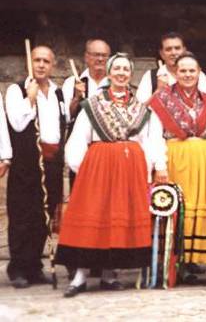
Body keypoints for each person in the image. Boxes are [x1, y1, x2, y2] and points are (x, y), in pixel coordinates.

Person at [55, 53, 153, 297]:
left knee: (115, 220)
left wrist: (147, 169)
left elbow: (147, 141)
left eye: (125, 69)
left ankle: (110, 274)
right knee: (92, 218)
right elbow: (79, 138)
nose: (121, 73)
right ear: (109, 73)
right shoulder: (93, 104)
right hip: (97, 170)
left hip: (128, 171)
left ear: (131, 75)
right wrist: (85, 169)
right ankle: (80, 276)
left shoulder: (140, 109)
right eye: (116, 68)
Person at [149, 52, 206, 276]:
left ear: (199, 73)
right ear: (175, 73)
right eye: (183, 71)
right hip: (176, 158)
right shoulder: (161, 100)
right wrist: (160, 165)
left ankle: (196, 259)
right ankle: (176, 262)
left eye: (192, 71)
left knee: (200, 209)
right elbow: (155, 135)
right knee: (178, 208)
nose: (187, 75)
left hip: (202, 161)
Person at [4, 45, 68, 289]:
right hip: (26, 162)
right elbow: (18, 124)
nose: (41, 65)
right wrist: (29, 97)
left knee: (45, 214)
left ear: (52, 65)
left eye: (46, 61)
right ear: (29, 63)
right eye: (37, 60)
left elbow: (62, 124)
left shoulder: (57, 93)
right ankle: (18, 267)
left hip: (51, 162)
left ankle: (34, 265)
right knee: (23, 214)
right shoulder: (16, 90)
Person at [62, 38, 111, 188]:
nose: (100, 59)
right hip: (81, 150)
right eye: (96, 54)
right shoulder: (72, 82)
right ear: (87, 57)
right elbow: (66, 116)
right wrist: (76, 98)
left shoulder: (115, 83)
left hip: (107, 149)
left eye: (104, 55)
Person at [136, 32, 206, 103]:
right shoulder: (150, 76)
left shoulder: (199, 76)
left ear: (184, 50)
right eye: (168, 49)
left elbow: (205, 107)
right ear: (161, 54)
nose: (173, 53)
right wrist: (158, 91)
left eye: (177, 48)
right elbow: (139, 111)